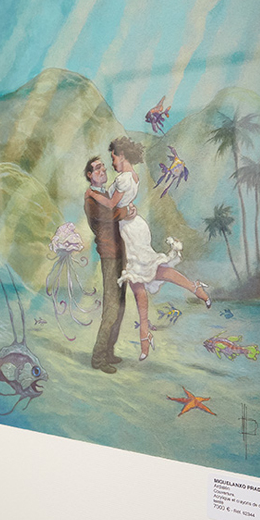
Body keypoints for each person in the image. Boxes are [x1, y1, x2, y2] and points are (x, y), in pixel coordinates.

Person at [85, 137, 211, 361]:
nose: (111, 163)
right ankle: (145, 334)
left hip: (130, 231)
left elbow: (112, 206)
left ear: (122, 155)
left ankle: (191, 289)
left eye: (113, 157)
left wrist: (93, 194)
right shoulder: (131, 176)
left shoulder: (123, 178)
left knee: (149, 273)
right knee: (139, 281)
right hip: (132, 227)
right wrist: (122, 208)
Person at [82, 156, 135, 374]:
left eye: (103, 167)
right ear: (89, 175)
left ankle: (109, 351)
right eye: (97, 169)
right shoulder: (91, 199)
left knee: (120, 305)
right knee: (112, 308)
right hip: (109, 254)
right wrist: (126, 212)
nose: (102, 170)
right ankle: (98, 357)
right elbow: (108, 216)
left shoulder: (104, 194)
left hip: (119, 253)